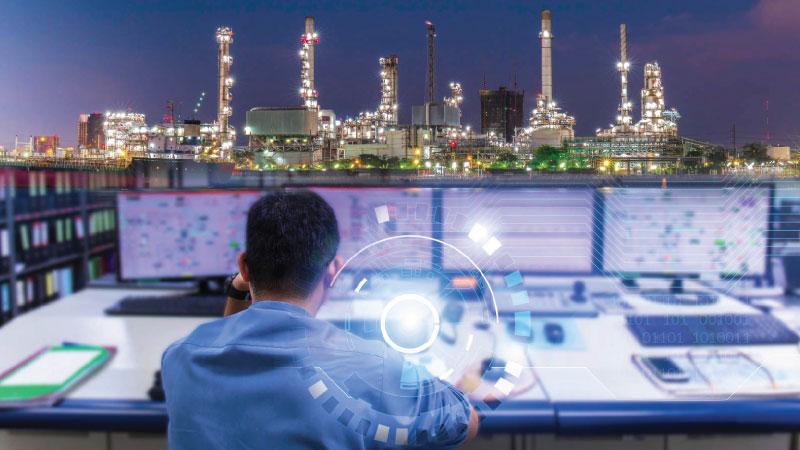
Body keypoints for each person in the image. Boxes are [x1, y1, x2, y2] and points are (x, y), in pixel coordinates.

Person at [162, 190, 479, 449]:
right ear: (334, 270)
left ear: (244, 268)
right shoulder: (374, 368)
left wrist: (236, 292)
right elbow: (466, 422)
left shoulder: (181, 358)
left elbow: (230, 336)